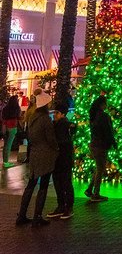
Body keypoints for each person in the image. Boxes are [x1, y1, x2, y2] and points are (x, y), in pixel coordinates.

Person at [16, 90, 58, 228]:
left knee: (31, 184)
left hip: (34, 153)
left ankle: (22, 214)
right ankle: (37, 216)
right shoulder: (45, 119)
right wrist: (56, 149)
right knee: (44, 185)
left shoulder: (33, 117)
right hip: (45, 154)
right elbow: (51, 139)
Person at [46, 96, 75, 220]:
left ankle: (66, 206)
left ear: (63, 114)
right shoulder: (57, 125)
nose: (54, 115)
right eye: (54, 113)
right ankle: (63, 206)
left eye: (57, 113)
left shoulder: (65, 126)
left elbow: (64, 141)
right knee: (60, 183)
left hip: (62, 159)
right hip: (60, 159)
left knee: (64, 183)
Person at [86, 95, 116, 201]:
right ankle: (96, 193)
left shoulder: (93, 115)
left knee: (99, 167)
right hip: (102, 145)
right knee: (100, 169)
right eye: (105, 104)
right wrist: (113, 142)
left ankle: (90, 189)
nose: (106, 106)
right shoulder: (104, 116)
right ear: (102, 105)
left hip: (94, 144)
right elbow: (108, 131)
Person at [2, 94, 21, 167]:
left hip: (5, 127)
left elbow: (3, 117)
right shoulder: (17, 108)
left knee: (6, 144)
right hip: (12, 127)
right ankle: (6, 162)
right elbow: (19, 117)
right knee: (9, 144)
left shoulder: (5, 108)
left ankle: (5, 161)